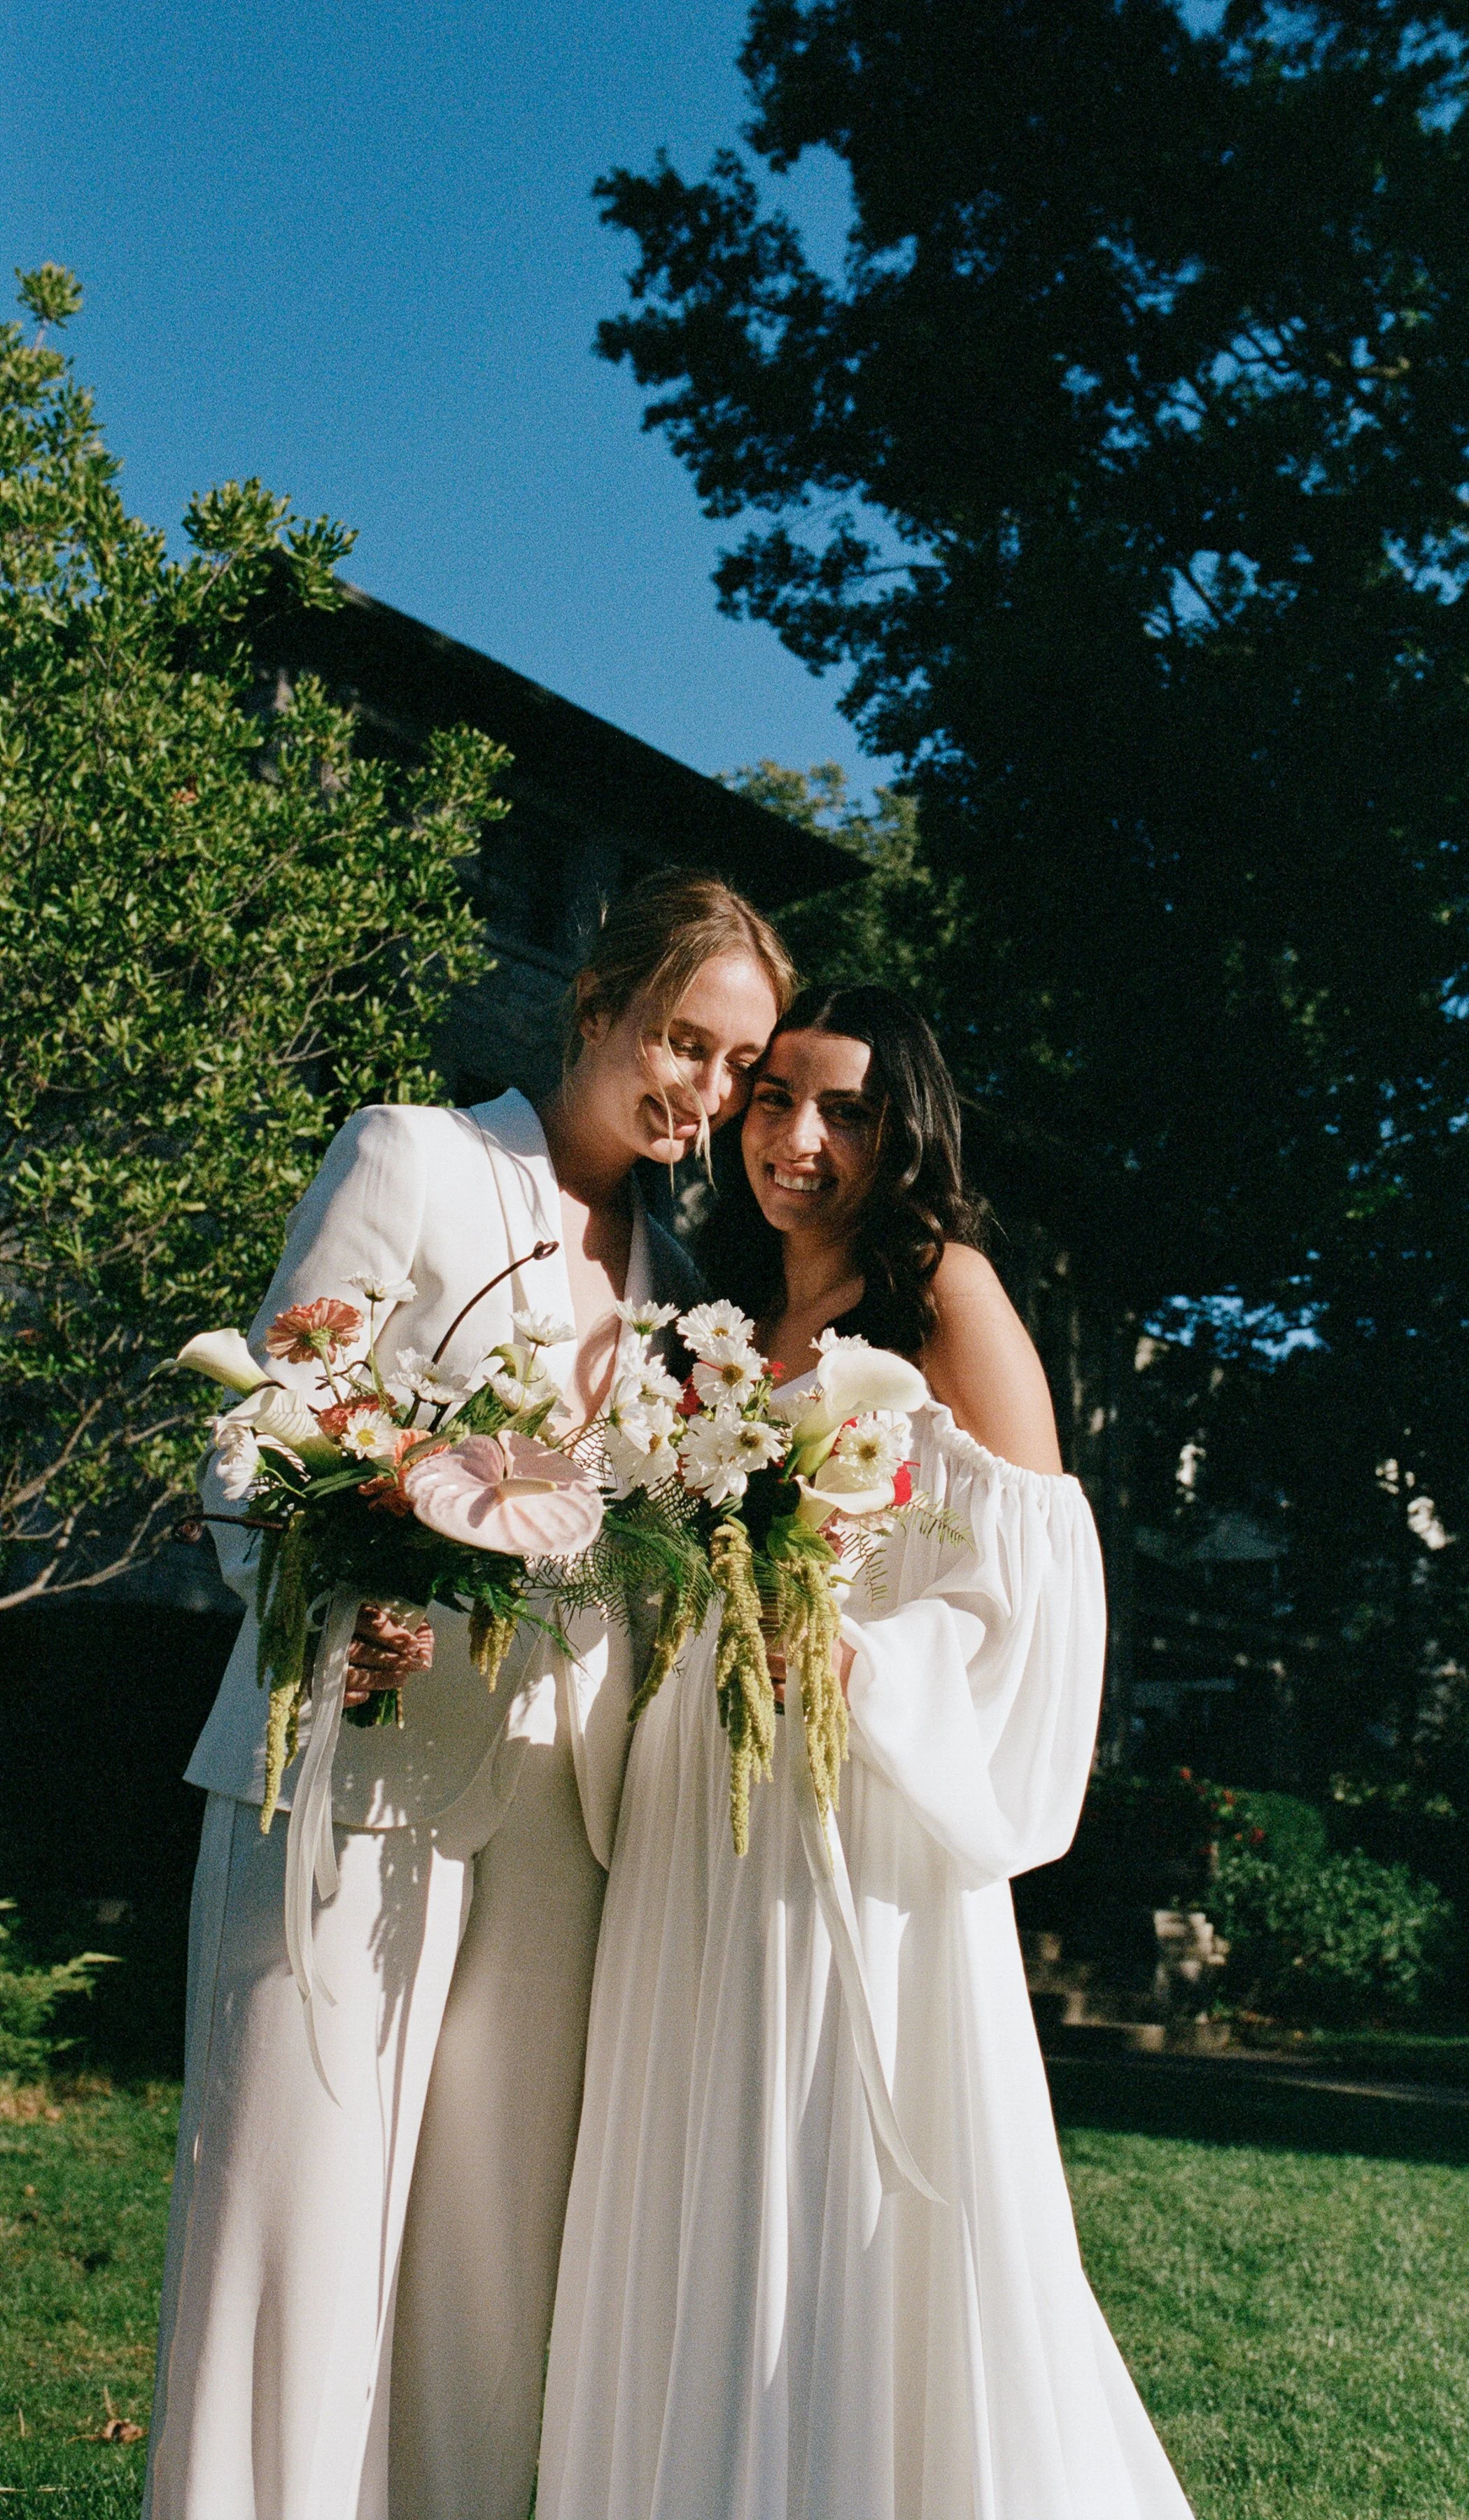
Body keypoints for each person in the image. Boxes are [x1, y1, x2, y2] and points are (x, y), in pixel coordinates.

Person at [143, 873, 796, 2520]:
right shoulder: (414, 1155)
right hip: (350, 1762)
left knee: (494, 2279)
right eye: (682, 1043)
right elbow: (271, 1419)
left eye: (736, 1068)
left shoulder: (678, 1286)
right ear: (595, 1006)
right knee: (288, 2236)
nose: (706, 1095)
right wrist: (341, 1588)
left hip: (567, 1819)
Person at [536, 983, 1195, 2519]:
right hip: (698, 1802)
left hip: (857, 1808)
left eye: (843, 1109)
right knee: (690, 2167)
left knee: (835, 2173)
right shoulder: (707, 1314)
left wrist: (858, 1658)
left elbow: (1037, 1589)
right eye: (771, 1100)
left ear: (904, 1130)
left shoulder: (942, 1290)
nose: (798, 1139)